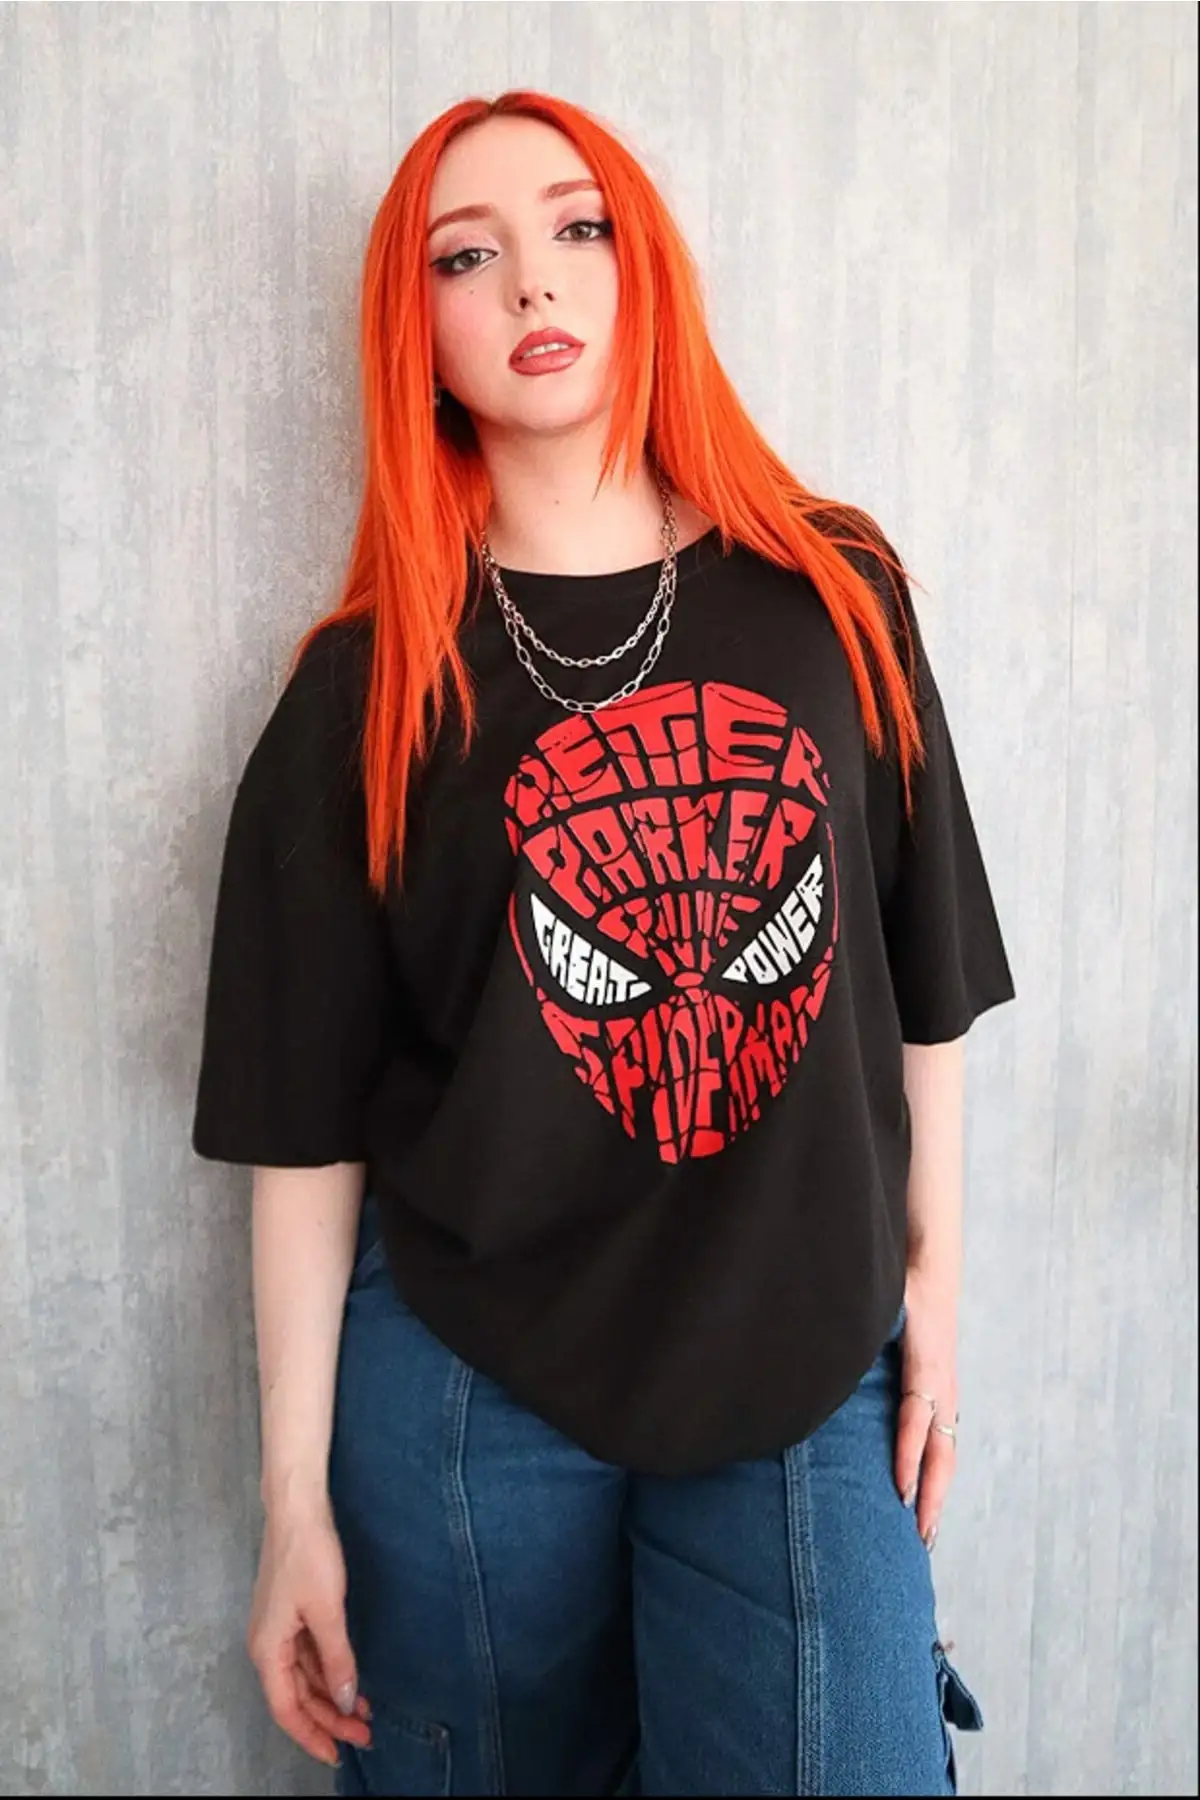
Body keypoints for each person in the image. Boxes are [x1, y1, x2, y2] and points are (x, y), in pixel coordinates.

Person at [191, 89, 1014, 1799]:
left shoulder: (834, 592)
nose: (531, 283)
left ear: (643, 268)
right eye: (465, 256)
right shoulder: (364, 690)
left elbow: (924, 977)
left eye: (578, 228)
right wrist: (290, 1504)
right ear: (414, 328)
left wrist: (935, 1285)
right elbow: (302, 1131)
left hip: (801, 1346)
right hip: (470, 1385)